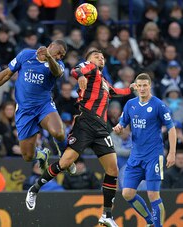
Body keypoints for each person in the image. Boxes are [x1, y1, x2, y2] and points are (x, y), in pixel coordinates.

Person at [26, 49, 134, 227]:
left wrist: (131, 88)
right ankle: (35, 188)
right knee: (65, 162)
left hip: (101, 129)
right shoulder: (89, 68)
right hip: (85, 123)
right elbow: (76, 71)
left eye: (102, 56)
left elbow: (116, 91)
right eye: (96, 55)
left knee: (113, 170)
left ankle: (107, 215)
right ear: (89, 59)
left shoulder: (104, 81)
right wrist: (81, 75)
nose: (101, 57)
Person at [0, 40, 68, 174]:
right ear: (51, 46)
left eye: (62, 55)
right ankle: (41, 155)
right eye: (59, 53)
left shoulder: (58, 64)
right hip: (24, 110)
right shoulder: (26, 55)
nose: (60, 57)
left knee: (59, 133)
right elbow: (6, 74)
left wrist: (49, 57)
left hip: (44, 106)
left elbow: (57, 73)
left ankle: (65, 158)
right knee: (28, 156)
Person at [113, 73, 177, 227]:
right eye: (139, 85)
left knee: (153, 194)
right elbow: (122, 124)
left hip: (154, 156)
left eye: (145, 85)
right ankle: (150, 222)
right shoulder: (130, 104)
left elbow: (172, 129)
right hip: (135, 157)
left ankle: (158, 226)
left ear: (150, 86)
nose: (142, 88)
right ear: (135, 86)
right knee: (127, 193)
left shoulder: (159, 105)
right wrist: (118, 128)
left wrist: (172, 153)